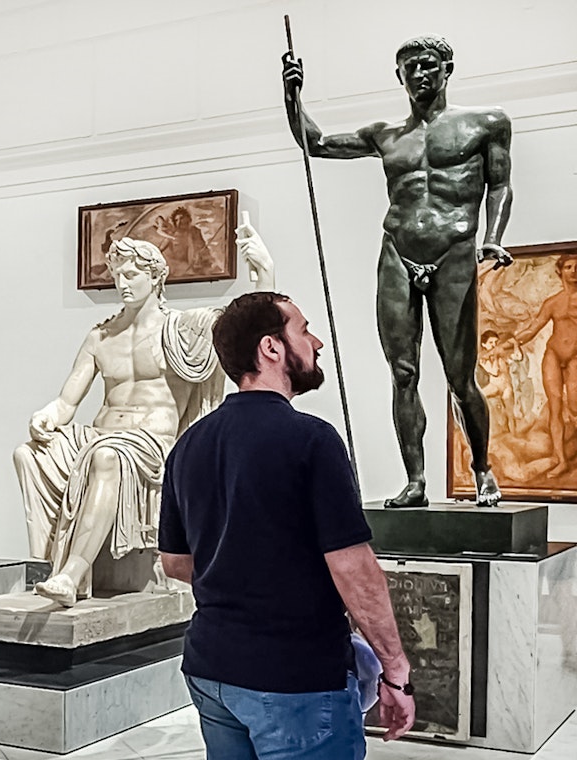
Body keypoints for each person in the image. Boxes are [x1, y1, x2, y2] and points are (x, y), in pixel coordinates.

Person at [159, 291, 415, 758]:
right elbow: (353, 568)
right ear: (271, 348)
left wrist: (243, 575)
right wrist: (395, 670)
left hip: (211, 669)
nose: (316, 342)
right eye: (303, 328)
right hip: (294, 677)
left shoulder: (188, 445)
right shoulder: (311, 439)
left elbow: (174, 562)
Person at [283, 35, 514, 507]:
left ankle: (483, 471)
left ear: (447, 68)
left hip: (453, 248)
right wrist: (293, 97)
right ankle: (416, 481)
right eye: (410, 68)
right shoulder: (385, 135)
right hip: (397, 251)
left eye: (428, 65)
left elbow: (500, 185)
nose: (420, 75)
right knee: (403, 373)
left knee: (459, 376)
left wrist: (493, 237)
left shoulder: (485, 124)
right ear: (399, 77)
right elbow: (317, 143)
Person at [17, 223, 274, 607]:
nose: (122, 282)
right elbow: (67, 401)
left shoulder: (184, 329)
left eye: (131, 274)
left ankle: (71, 574)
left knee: (107, 459)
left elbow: (245, 330)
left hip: (152, 442)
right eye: (117, 275)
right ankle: (45, 562)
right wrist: (47, 415)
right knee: (29, 453)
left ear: (155, 277)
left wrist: (264, 273)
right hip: (100, 433)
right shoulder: (100, 337)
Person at [515, 253, 577, 476]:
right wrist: (511, 341)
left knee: (575, 405)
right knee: (555, 406)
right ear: (560, 271)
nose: (573, 271)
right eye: (569, 267)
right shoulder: (553, 302)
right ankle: (561, 460)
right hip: (553, 354)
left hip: (575, 358)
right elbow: (533, 328)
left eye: (576, 267)